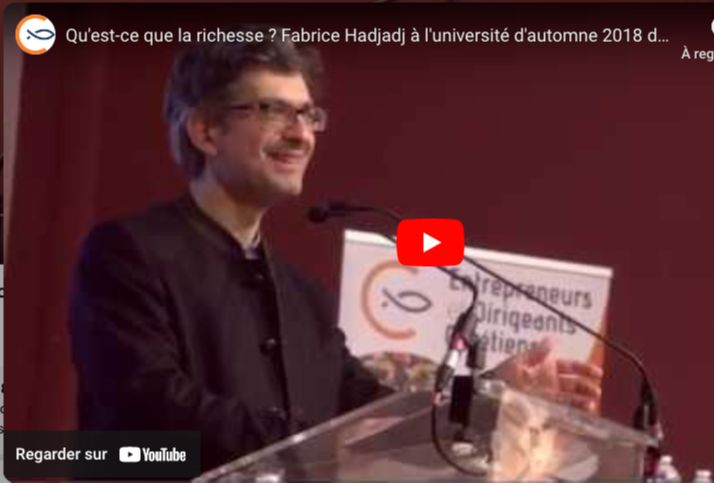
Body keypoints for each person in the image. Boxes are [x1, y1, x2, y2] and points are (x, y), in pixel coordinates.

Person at [69, 26, 602, 472]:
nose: (301, 134)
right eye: (274, 111)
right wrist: (314, 443)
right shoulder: (129, 254)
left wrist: (487, 395)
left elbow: (373, 416)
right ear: (207, 131)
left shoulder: (305, 300)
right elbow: (151, 406)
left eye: (308, 115)